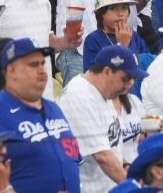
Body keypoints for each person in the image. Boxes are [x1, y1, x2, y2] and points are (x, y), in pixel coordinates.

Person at [0, 38, 82, 192]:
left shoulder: (54, 109)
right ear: (12, 71)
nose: (42, 70)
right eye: (33, 65)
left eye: (43, 63)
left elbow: (73, 160)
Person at [58, 43, 147, 191]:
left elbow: (111, 144)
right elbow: (102, 156)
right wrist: (137, 189)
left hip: (108, 185)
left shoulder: (104, 93)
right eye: (125, 78)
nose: (129, 85)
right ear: (107, 71)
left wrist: (125, 165)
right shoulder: (80, 95)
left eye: (133, 79)